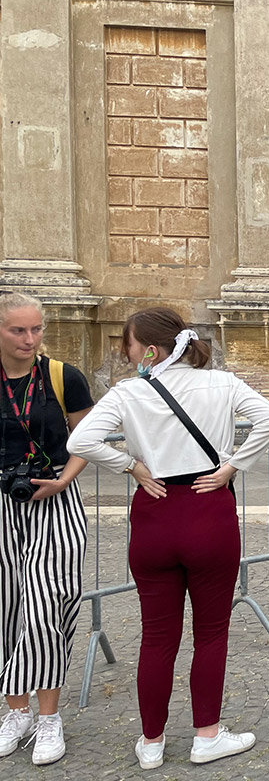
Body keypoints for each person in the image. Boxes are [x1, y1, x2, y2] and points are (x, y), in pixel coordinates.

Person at [66, 307, 269, 771]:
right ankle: (206, 735)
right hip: (209, 508)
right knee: (211, 633)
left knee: (156, 637)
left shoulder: (128, 391)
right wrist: (231, 466)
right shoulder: (221, 383)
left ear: (149, 349)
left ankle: (151, 743)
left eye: (127, 345)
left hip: (155, 511)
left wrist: (132, 466)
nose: (126, 355)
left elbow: (80, 442)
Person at [0, 294, 93, 767]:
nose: (29, 339)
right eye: (18, 331)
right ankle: (15, 710)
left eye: (36, 329)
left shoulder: (63, 377)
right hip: (1, 504)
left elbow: (86, 438)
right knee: (6, 608)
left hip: (55, 500)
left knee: (44, 604)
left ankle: (49, 716)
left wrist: (63, 478)